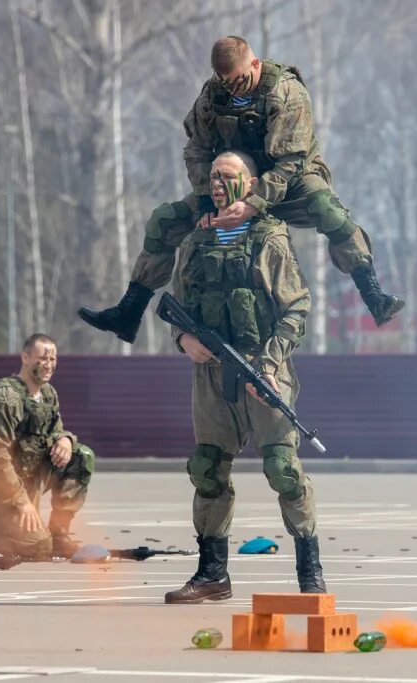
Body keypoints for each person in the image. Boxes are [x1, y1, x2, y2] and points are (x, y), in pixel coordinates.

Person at [79, 35, 403, 344]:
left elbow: (290, 161)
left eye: (239, 81)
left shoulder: (286, 94)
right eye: (225, 83)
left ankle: (373, 294)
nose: (233, 90)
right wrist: (208, 202)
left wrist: (254, 204)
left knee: (329, 211)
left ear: (255, 65)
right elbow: (196, 151)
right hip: (231, 184)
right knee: (165, 220)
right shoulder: (212, 95)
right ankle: (129, 312)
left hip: (289, 183)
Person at [162, 151, 326, 604]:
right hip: (212, 374)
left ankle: (310, 573)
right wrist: (182, 342)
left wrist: (269, 365)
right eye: (213, 176)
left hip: (262, 368)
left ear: (250, 183)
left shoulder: (268, 238)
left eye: (228, 176)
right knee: (208, 469)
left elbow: (297, 308)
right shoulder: (195, 244)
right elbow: (176, 305)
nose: (218, 183)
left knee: (283, 468)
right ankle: (212, 574)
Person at [0, 333, 95, 560]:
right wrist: (22, 503)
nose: (49, 365)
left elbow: (55, 432)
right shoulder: (5, 398)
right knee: (37, 547)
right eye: (43, 358)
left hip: (25, 481)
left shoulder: (47, 394)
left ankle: (59, 532)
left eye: (53, 359)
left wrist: (66, 439)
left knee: (80, 456)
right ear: (25, 357)